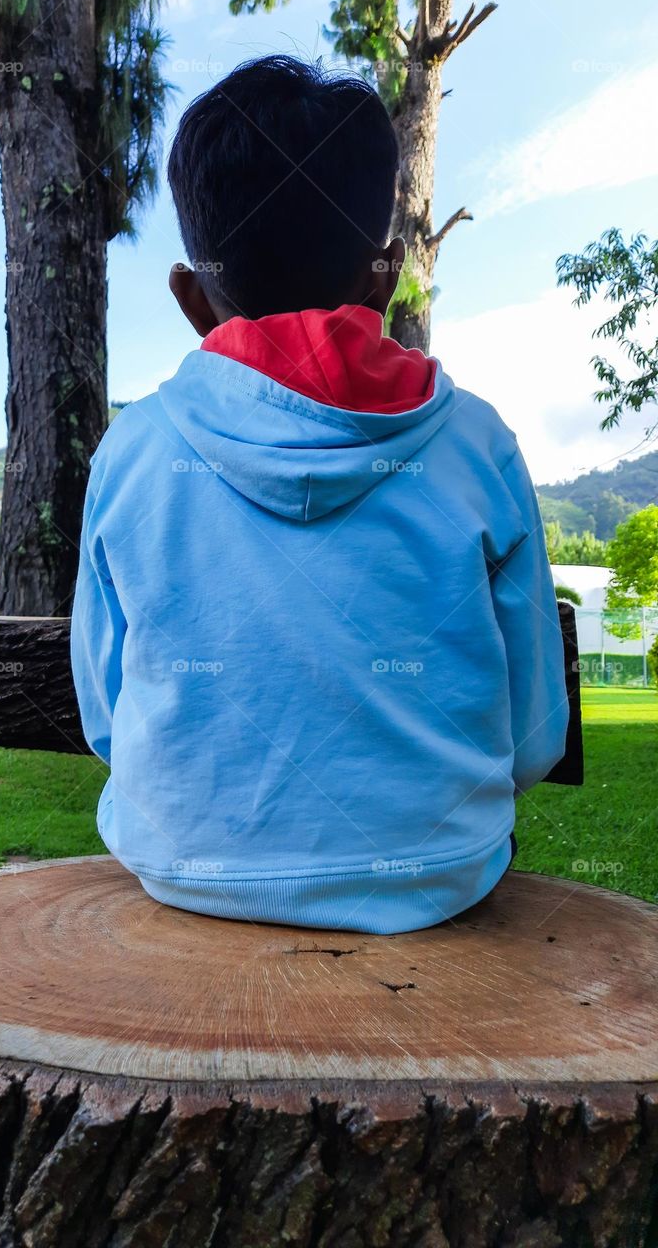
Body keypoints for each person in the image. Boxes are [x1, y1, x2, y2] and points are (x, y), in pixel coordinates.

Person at [70, 55, 568, 934]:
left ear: (191, 297)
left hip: (181, 868)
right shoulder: (477, 446)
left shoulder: (133, 455)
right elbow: (533, 741)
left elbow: (109, 723)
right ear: (385, 276)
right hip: (439, 878)